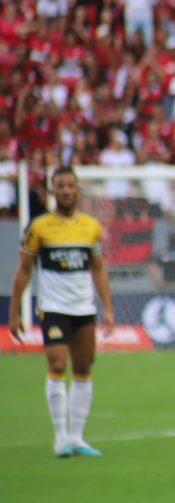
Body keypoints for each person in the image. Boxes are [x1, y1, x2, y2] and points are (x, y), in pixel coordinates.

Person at [8, 166, 114, 457]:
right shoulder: (39, 226)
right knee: (57, 364)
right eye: (60, 186)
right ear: (52, 191)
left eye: (71, 186)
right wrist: (14, 311)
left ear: (78, 190)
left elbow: (98, 270)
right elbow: (24, 270)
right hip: (54, 308)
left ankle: (77, 438)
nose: (66, 191)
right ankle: (60, 438)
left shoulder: (91, 227)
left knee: (83, 368)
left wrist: (108, 309)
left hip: (84, 309)